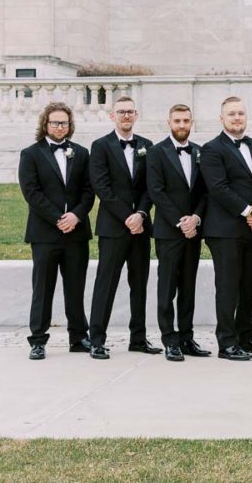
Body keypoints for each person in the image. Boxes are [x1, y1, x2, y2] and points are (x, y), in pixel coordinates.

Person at [199, 96, 252, 361]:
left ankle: (246, 334)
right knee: (228, 286)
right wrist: (248, 211)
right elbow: (218, 188)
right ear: (222, 119)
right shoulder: (211, 149)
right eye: (231, 114)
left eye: (240, 114)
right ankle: (227, 342)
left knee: (250, 284)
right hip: (225, 230)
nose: (236, 118)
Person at [19, 102, 95, 360]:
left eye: (64, 122)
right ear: (45, 124)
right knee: (43, 288)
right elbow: (31, 192)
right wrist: (57, 218)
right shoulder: (30, 154)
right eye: (55, 122)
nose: (60, 127)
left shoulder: (82, 153)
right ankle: (38, 340)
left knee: (76, 287)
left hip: (76, 232)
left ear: (70, 125)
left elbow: (88, 190)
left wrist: (75, 215)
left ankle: (78, 337)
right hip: (44, 234)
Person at [88, 96, 159, 359]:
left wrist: (140, 214)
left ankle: (138, 338)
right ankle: (96, 339)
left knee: (139, 284)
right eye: (121, 112)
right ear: (112, 116)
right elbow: (101, 187)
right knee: (105, 284)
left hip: (140, 228)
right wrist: (128, 217)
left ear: (136, 115)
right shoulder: (100, 146)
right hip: (113, 228)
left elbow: (150, 186)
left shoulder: (148, 146)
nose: (126, 116)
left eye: (130, 112)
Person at [145, 104, 210, 362]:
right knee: (167, 287)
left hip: (193, 231)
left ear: (192, 122)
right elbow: (156, 191)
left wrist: (195, 218)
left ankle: (186, 336)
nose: (182, 125)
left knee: (188, 287)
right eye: (177, 121)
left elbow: (205, 191)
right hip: (169, 232)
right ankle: (169, 339)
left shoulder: (199, 152)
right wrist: (179, 221)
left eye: (186, 120)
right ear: (168, 122)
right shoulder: (155, 152)